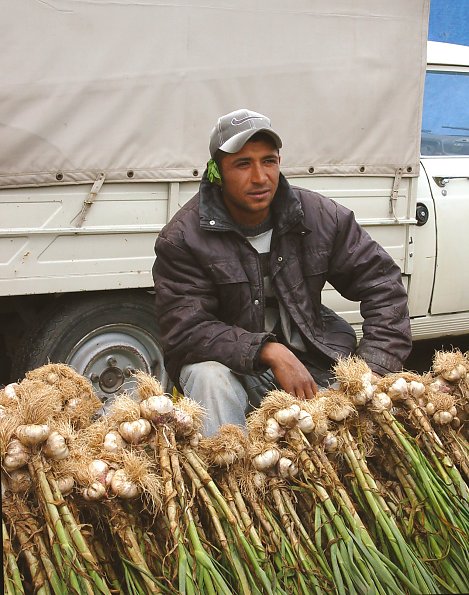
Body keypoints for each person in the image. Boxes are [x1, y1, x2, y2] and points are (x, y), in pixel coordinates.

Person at [152, 108, 412, 435]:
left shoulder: (321, 217)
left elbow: (383, 285)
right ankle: (231, 471)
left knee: (353, 441)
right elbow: (186, 328)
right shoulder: (183, 238)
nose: (260, 177)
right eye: (243, 164)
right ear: (217, 172)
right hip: (231, 367)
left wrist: (374, 367)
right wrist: (269, 351)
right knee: (208, 378)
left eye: (269, 161)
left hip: (314, 359)